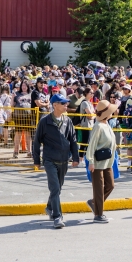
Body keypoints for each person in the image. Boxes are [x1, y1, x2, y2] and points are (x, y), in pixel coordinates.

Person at [32, 93, 79, 229]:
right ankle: (57, 217)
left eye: (66, 103)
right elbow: (36, 142)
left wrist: (75, 157)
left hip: (64, 160)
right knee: (55, 188)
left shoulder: (67, 121)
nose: (66, 106)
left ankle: (49, 207)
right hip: (50, 160)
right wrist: (37, 160)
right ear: (55, 105)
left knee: (57, 189)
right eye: (63, 103)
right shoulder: (44, 122)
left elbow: (73, 140)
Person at [85, 99, 117, 223]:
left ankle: (94, 203)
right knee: (98, 188)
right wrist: (91, 161)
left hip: (107, 161)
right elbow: (92, 144)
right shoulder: (98, 126)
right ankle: (98, 214)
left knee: (110, 185)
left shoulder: (106, 124)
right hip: (98, 161)